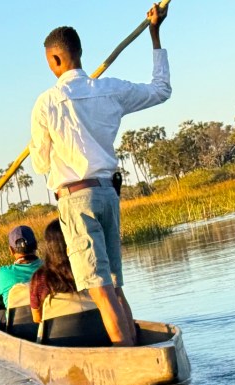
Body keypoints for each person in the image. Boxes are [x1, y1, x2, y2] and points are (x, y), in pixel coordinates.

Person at [29, 3, 171, 346]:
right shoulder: (109, 89)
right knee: (114, 287)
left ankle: (126, 356)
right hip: (107, 194)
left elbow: (41, 164)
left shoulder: (47, 102)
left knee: (101, 292)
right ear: (79, 54)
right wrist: (155, 34)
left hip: (76, 199)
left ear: (56, 59)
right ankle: (137, 351)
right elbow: (161, 89)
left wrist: (41, 145)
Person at [29, 219, 108, 345]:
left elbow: (36, 318)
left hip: (57, 341)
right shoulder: (88, 267)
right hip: (100, 333)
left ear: (49, 246)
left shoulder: (40, 277)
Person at [0, 225, 41, 306]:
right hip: (44, 314)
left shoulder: (3, 274)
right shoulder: (50, 267)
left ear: (11, 250)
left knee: (0, 298)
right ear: (36, 245)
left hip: (18, 314)